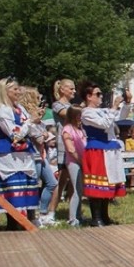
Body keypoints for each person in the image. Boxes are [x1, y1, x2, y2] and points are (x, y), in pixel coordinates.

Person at [81, 81, 131, 226]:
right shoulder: (86, 112)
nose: (101, 96)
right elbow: (104, 124)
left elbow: (120, 118)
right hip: (97, 149)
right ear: (89, 96)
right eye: (98, 94)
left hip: (109, 148)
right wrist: (114, 107)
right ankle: (96, 217)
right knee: (98, 182)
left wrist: (126, 103)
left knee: (109, 181)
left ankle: (105, 215)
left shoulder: (103, 110)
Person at [0, 77, 41, 230]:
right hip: (9, 155)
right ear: (5, 91)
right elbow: (14, 134)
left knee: (26, 187)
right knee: (11, 189)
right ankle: (12, 224)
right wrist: (30, 122)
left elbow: (29, 130)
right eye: (14, 89)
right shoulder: (2, 110)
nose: (18, 92)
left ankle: (25, 222)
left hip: (25, 154)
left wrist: (36, 124)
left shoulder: (20, 109)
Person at [19, 87, 59, 226]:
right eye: (38, 98)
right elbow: (36, 137)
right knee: (33, 186)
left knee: (52, 183)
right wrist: (43, 134)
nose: (40, 101)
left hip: (41, 155)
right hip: (32, 156)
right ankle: (32, 216)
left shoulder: (37, 117)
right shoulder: (27, 117)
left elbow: (43, 135)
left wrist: (45, 133)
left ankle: (42, 213)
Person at [52, 79, 76, 208]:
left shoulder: (73, 106)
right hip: (64, 146)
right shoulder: (57, 105)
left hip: (74, 145)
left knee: (75, 181)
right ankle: (51, 211)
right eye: (71, 89)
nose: (74, 91)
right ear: (62, 89)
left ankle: (73, 211)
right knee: (62, 180)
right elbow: (69, 116)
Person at [62, 105, 86, 226]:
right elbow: (71, 149)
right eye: (79, 115)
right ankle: (72, 218)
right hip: (73, 162)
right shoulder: (67, 129)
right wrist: (80, 161)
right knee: (76, 190)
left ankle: (78, 215)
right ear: (74, 116)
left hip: (82, 161)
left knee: (80, 189)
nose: (81, 117)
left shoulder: (80, 129)